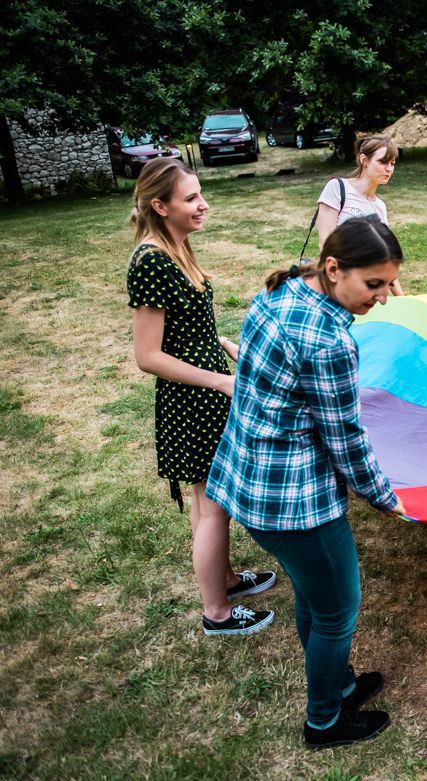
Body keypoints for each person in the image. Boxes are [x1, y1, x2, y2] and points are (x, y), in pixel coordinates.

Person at [207, 216, 403, 749]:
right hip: (294, 504)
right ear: (335, 269)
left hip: (247, 481)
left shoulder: (277, 293)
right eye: (374, 284)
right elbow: (345, 439)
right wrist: (385, 498)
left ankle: (337, 684)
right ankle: (324, 720)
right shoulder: (331, 341)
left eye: (388, 284)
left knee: (316, 598)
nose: (383, 298)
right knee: (338, 609)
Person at [126, 157, 275, 637]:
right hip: (192, 400)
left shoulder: (177, 247)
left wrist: (232, 349)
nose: (202, 204)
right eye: (190, 197)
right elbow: (148, 355)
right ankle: (217, 613)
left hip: (207, 388)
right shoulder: (150, 260)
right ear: (159, 205)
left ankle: (226, 580)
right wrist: (220, 381)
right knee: (211, 505)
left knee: (211, 502)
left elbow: (193, 330)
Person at [315, 134, 405, 297]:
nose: (389, 169)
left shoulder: (380, 207)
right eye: (383, 162)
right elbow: (325, 245)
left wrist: (402, 298)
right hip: (337, 288)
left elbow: (384, 258)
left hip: (367, 293)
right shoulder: (337, 188)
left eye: (392, 163)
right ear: (364, 160)